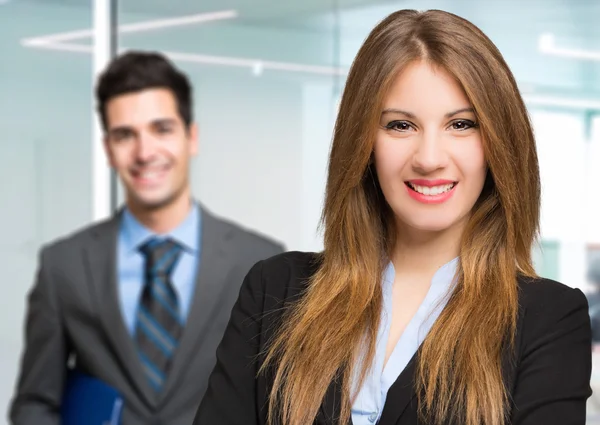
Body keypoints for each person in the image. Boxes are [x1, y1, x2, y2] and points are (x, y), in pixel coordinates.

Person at [192, 9, 592, 425]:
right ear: (363, 142)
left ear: (497, 143)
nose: (430, 158)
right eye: (400, 126)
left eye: (461, 124)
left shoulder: (547, 319)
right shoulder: (275, 291)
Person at [9, 51, 285, 425]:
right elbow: (36, 403)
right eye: (125, 135)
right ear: (108, 149)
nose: (144, 152)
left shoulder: (260, 262)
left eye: (162, 129)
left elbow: (279, 404)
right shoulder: (64, 266)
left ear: (192, 137)